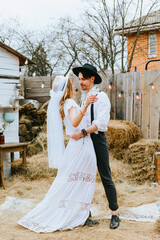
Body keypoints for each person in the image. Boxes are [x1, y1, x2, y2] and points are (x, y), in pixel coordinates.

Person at [17, 75, 98, 233]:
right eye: (73, 83)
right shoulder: (69, 103)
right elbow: (75, 122)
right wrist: (86, 104)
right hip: (80, 146)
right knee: (76, 181)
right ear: (68, 87)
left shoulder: (65, 104)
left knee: (76, 181)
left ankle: (81, 213)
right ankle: (77, 215)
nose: (76, 85)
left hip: (78, 146)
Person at [71, 63, 120, 229]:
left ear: (92, 78)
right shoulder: (83, 97)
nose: (81, 82)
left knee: (105, 176)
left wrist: (83, 133)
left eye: (84, 79)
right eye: (79, 79)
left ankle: (114, 213)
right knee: (84, 176)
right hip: (84, 141)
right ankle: (85, 213)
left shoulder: (101, 97)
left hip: (97, 139)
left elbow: (100, 123)